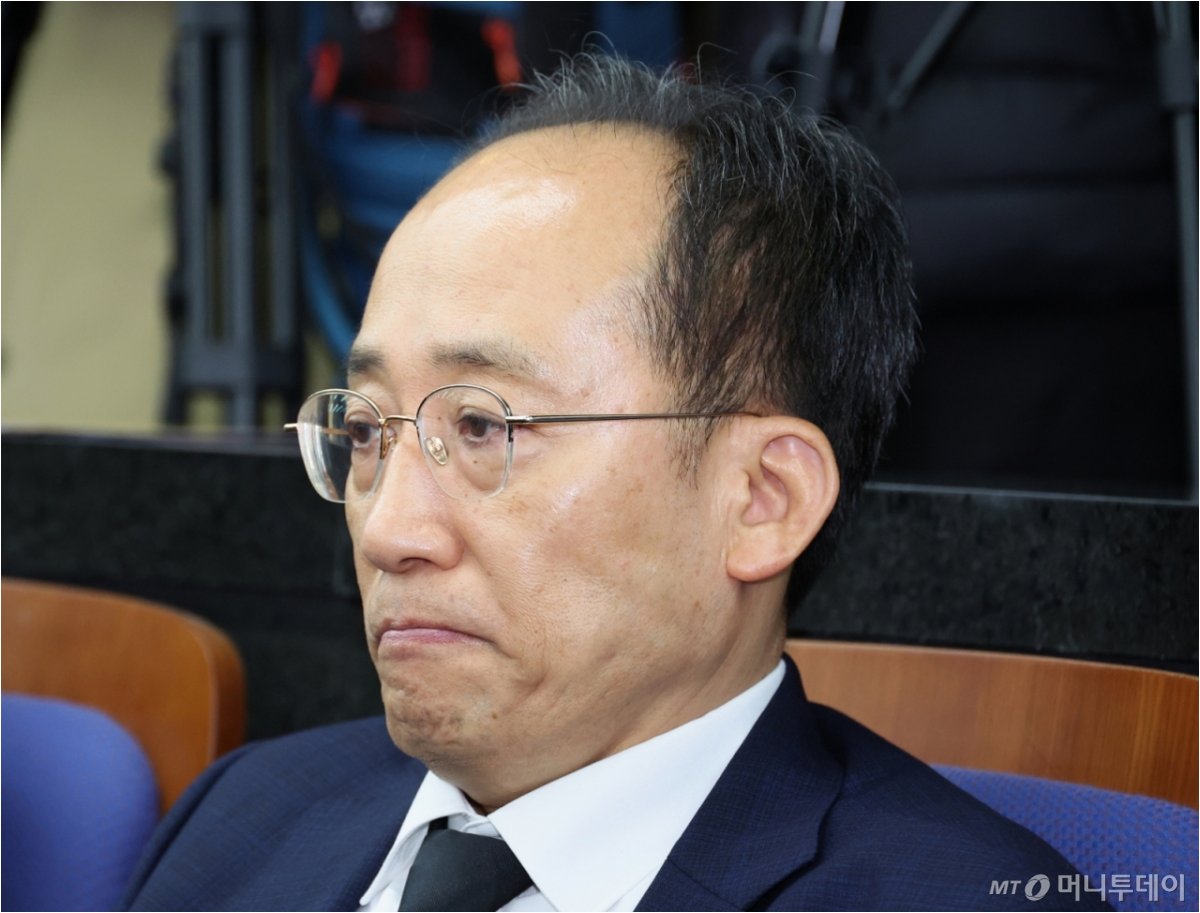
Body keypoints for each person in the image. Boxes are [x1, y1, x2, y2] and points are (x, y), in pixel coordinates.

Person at [123, 55, 1102, 912]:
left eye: (483, 426)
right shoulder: (242, 817)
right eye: (369, 430)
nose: (389, 533)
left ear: (762, 499)